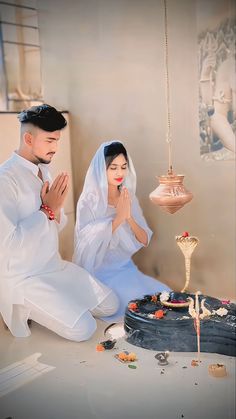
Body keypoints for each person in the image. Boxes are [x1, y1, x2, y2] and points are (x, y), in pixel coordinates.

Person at [0, 105, 119, 341]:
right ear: (28, 138)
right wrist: (46, 210)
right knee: (84, 329)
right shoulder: (5, 180)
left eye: (57, 140)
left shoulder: (45, 170)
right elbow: (8, 246)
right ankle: (29, 307)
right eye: (50, 140)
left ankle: (61, 301)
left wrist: (55, 209)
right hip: (24, 277)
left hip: (53, 266)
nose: (55, 148)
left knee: (111, 305)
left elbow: (57, 225)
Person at [73, 141, 171, 321]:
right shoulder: (89, 201)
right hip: (100, 274)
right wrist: (117, 219)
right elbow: (84, 245)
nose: (120, 173)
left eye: (124, 167)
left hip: (126, 269)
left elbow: (144, 239)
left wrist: (128, 217)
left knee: (165, 296)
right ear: (102, 169)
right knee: (137, 309)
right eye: (113, 168)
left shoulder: (128, 196)